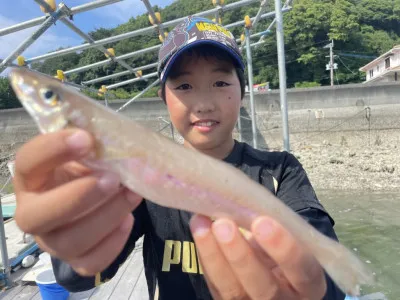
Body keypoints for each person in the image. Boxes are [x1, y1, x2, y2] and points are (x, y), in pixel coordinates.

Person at [13, 16, 345, 300]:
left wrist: (309, 284)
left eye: (219, 82)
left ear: (241, 91)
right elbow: (79, 275)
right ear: (164, 98)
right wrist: (68, 237)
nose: (203, 103)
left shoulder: (281, 169)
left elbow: (330, 271)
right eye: (184, 86)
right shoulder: (140, 177)